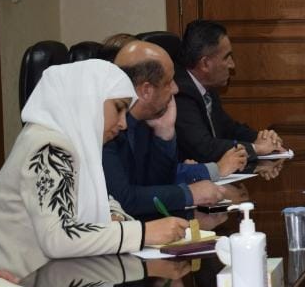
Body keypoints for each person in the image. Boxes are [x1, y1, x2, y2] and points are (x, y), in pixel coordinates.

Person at [0, 60, 186, 278]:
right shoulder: (49, 147)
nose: (123, 123)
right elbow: (58, 238)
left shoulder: (72, 142)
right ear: (89, 100)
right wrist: (143, 232)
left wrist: (114, 216)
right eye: (119, 108)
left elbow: (104, 199)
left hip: (51, 279)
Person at [104, 41, 247, 217]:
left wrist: (165, 133)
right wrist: (190, 194)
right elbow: (125, 199)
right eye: (169, 82)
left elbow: (159, 184)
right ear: (146, 90)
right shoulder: (108, 129)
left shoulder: (146, 121)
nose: (176, 89)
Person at [174, 20, 285, 163]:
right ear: (205, 64)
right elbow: (204, 148)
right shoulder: (180, 93)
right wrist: (256, 148)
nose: (232, 65)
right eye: (227, 57)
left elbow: (228, 128)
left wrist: (261, 138)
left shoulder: (207, 85)